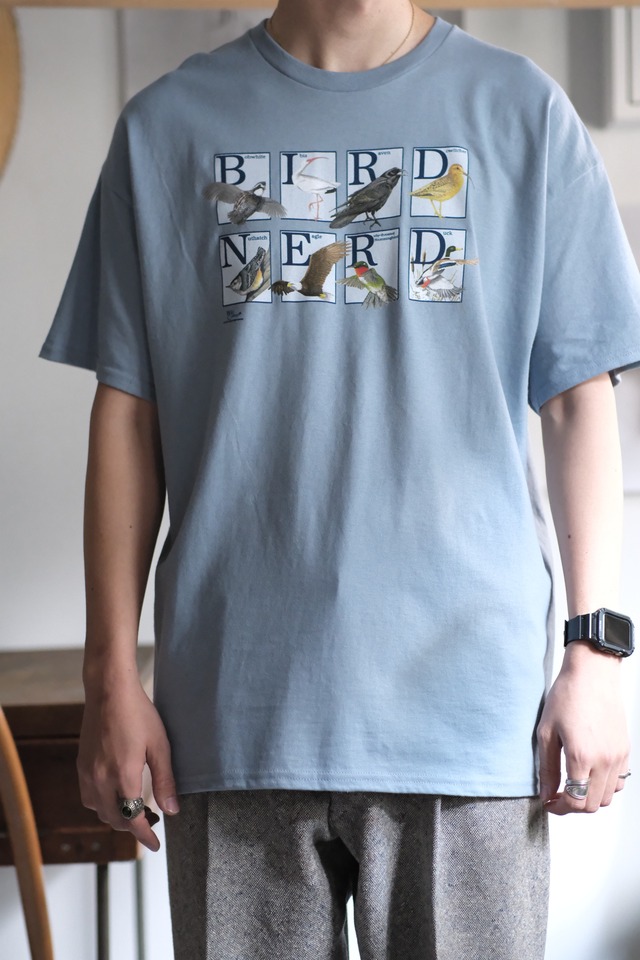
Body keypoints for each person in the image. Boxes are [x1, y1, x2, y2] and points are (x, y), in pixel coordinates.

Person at [40, 2, 640, 958]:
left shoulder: (522, 111)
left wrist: (597, 654)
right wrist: (108, 674)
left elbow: (578, 399)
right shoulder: (166, 127)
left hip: (465, 716)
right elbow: (128, 417)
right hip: (234, 714)